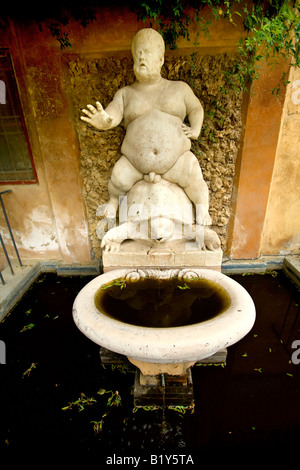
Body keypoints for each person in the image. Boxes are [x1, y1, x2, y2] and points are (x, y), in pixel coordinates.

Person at [81, 28, 217, 246]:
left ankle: (203, 210)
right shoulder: (126, 93)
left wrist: (196, 129)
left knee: (193, 174)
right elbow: (113, 113)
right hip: (135, 163)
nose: (141, 57)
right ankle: (113, 202)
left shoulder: (179, 89)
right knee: (118, 176)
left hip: (177, 160)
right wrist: (105, 120)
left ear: (161, 59)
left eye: (147, 52)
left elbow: (196, 109)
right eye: (138, 54)